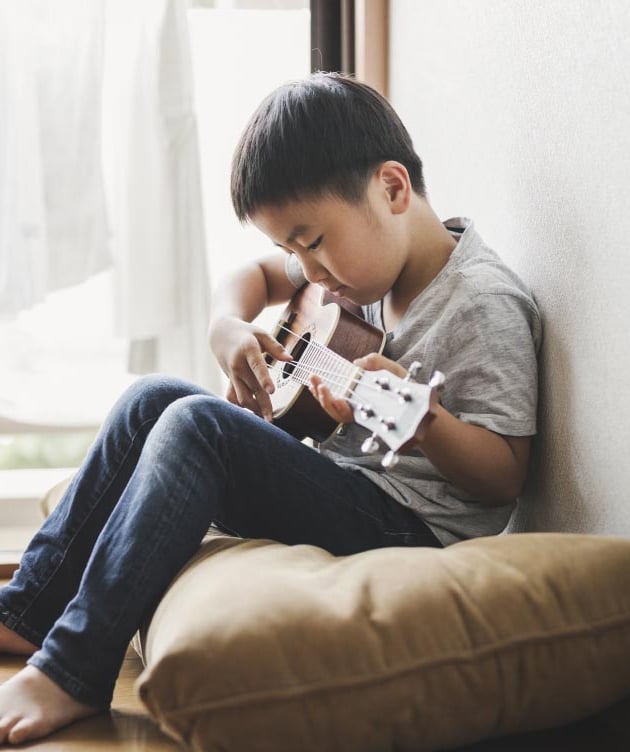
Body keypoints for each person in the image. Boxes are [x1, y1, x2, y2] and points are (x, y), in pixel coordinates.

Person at [0, 71, 541, 744]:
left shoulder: (482, 304)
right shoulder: (359, 266)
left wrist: (424, 423)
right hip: (347, 485)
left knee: (198, 427)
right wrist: (225, 325)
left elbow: (506, 476)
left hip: (412, 526)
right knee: (152, 398)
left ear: (392, 188)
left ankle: (73, 669)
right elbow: (252, 278)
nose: (307, 271)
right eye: (292, 250)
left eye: (311, 242)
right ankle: (25, 608)